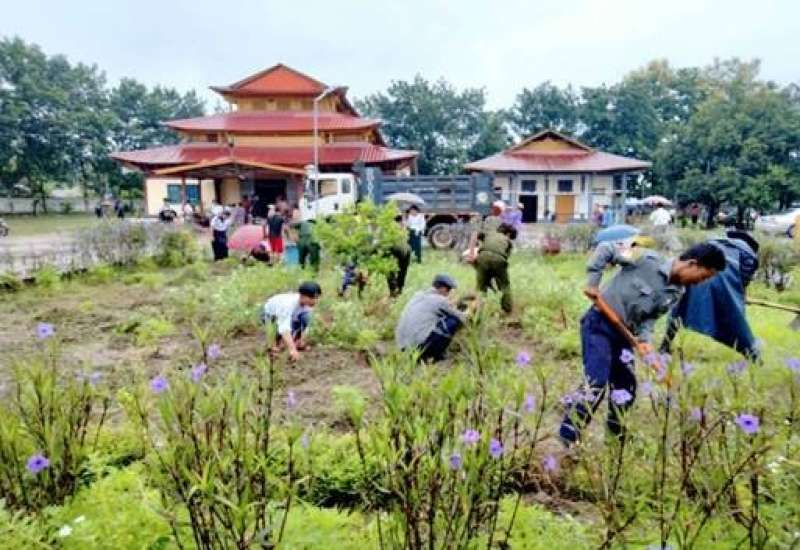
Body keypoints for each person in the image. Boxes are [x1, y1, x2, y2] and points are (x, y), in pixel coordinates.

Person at [558, 243, 726, 447]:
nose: (701, 282)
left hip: (624, 335)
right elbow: (606, 249)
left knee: (626, 387)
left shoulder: (676, 292)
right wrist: (593, 283)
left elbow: (649, 318)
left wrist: (644, 341)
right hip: (599, 325)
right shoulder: (644, 258)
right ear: (692, 264)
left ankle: (615, 440)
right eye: (704, 276)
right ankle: (568, 437)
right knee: (596, 381)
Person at [662, 232, 760, 359]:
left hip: (696, 270)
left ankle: (664, 345)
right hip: (722, 276)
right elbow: (743, 280)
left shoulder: (716, 241)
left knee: (679, 308)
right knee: (735, 318)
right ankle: (753, 355)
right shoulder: (750, 254)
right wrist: (740, 297)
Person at [395, 274, 472, 363]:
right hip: (419, 347)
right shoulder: (440, 300)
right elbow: (463, 318)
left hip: (403, 346)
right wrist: (471, 309)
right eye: (448, 290)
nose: (448, 293)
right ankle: (433, 356)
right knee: (453, 321)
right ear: (442, 288)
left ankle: (420, 353)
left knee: (440, 320)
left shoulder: (418, 295)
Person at [261, 281, 322, 362]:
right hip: (270, 316)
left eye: (317, 298)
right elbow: (284, 328)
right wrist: (292, 349)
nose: (315, 301)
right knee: (280, 332)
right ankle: (274, 346)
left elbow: (305, 323)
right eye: (312, 298)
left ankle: (296, 342)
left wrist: (301, 339)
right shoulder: (287, 304)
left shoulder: (307, 305)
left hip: (291, 317)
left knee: (305, 317)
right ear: (302, 296)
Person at [475, 222, 515, 313]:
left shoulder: (489, 233)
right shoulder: (508, 242)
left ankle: (478, 311)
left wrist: (471, 252)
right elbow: (504, 258)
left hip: (483, 257)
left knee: (481, 287)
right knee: (504, 286)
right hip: (499, 260)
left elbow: (475, 234)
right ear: (508, 234)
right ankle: (507, 310)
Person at [387, 215, 412, 297]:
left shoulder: (388, 227)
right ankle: (399, 289)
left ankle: (393, 290)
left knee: (391, 271)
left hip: (393, 248)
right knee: (402, 271)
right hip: (405, 249)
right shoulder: (404, 226)